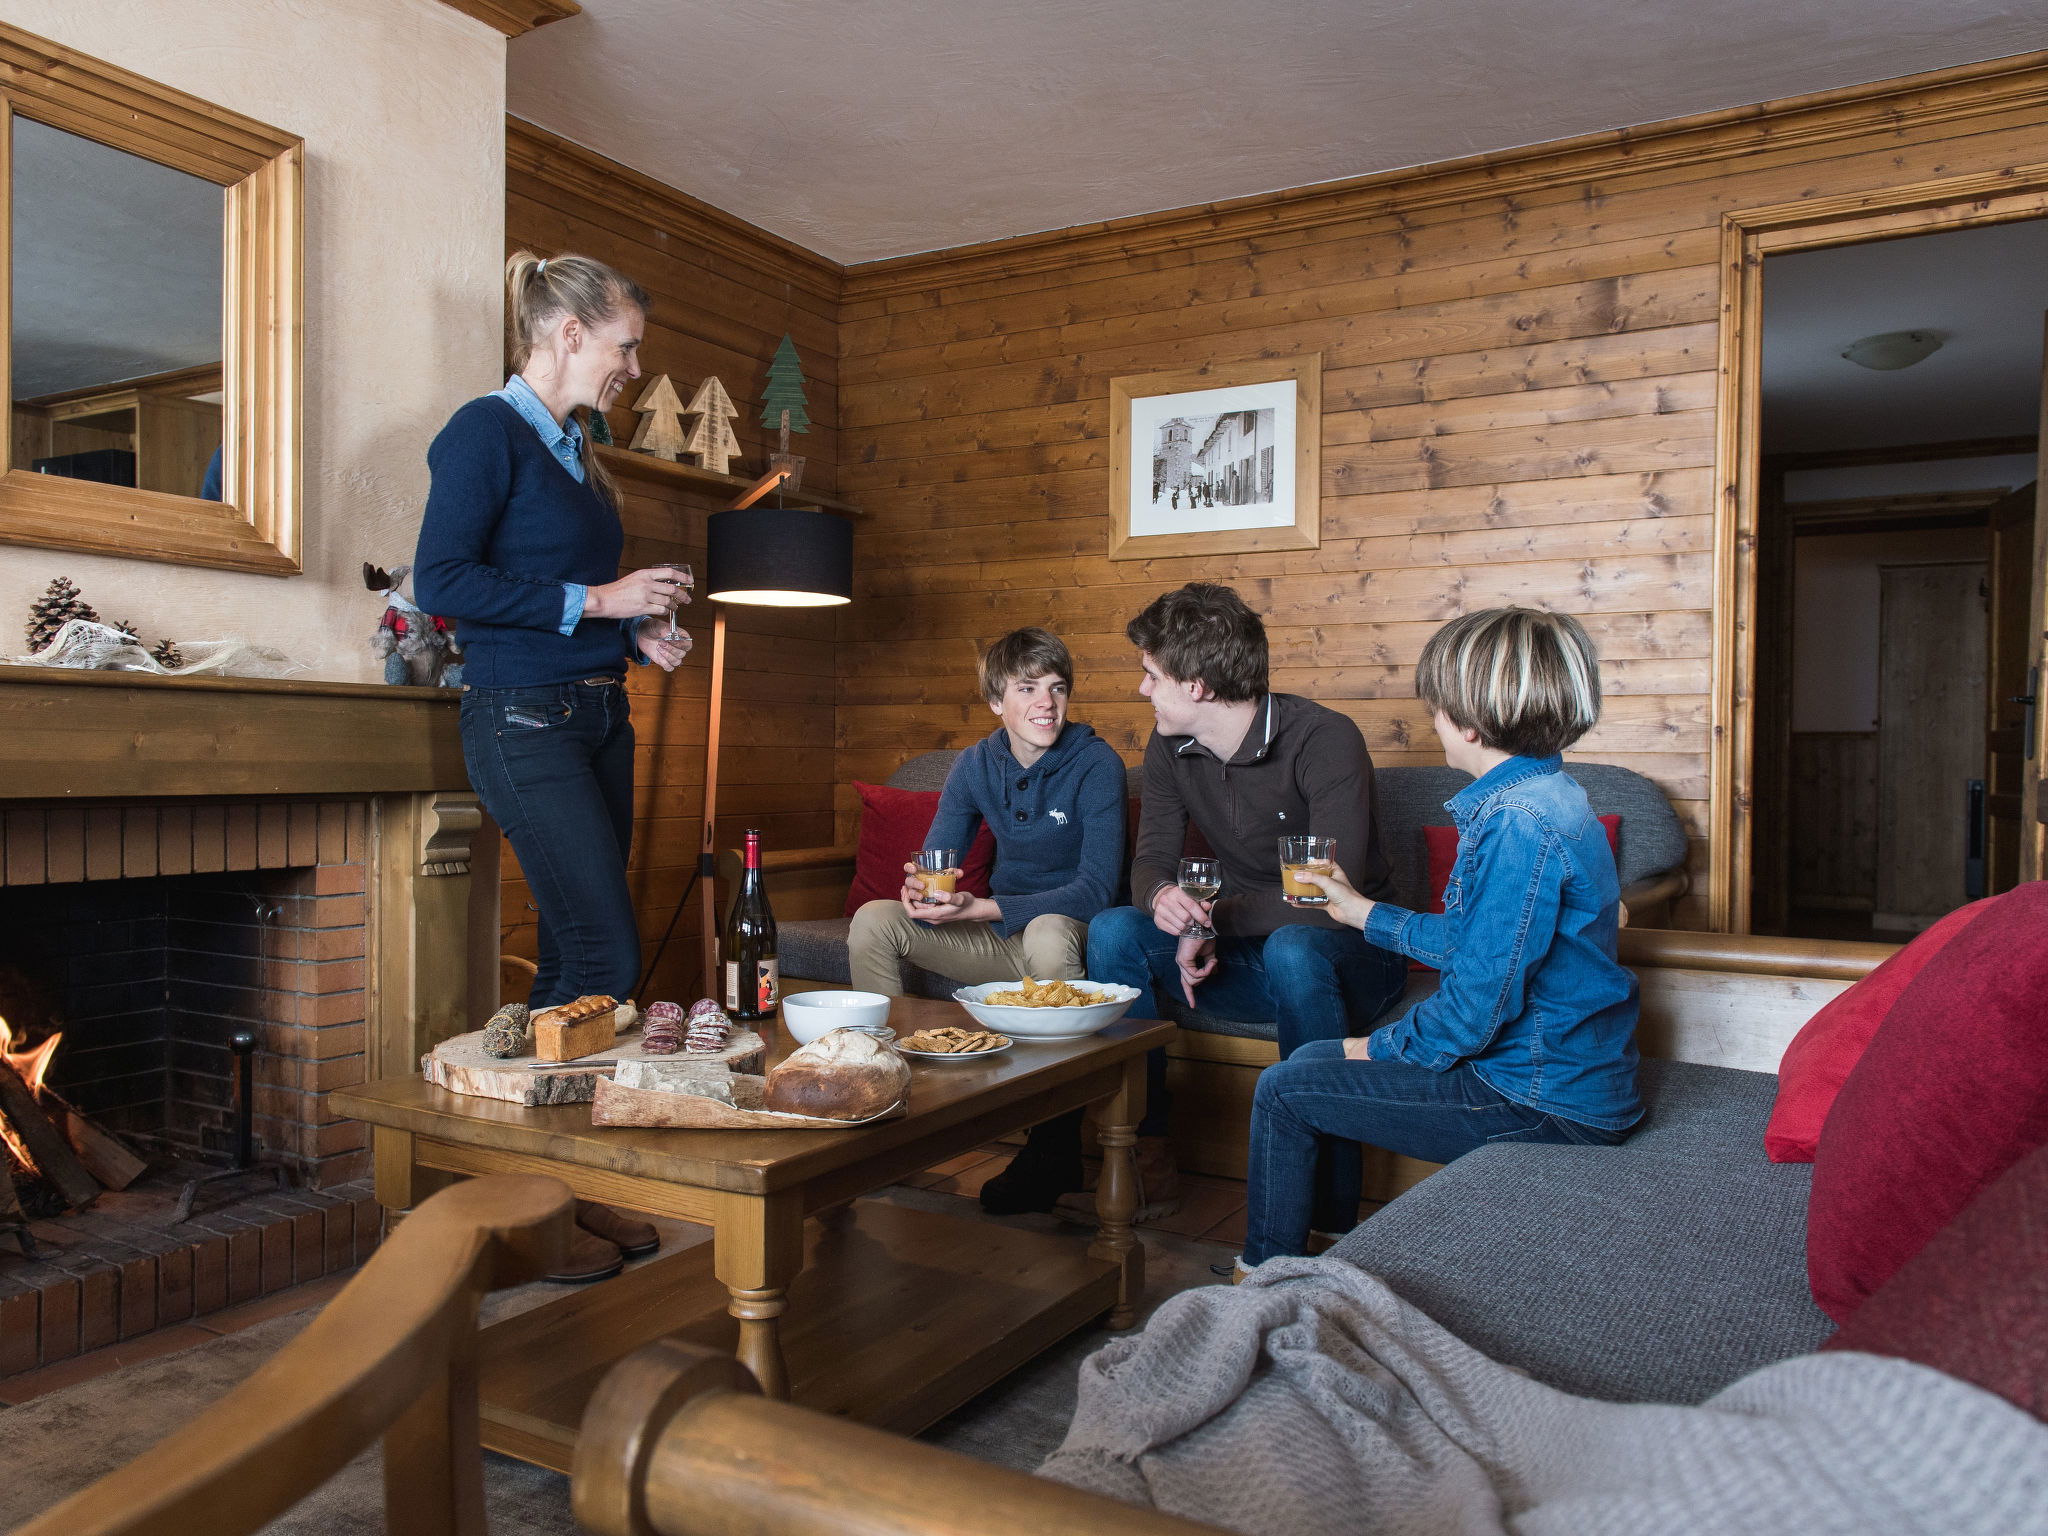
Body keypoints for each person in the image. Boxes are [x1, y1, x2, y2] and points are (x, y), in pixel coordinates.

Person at [413, 250, 690, 1284]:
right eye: (626, 347)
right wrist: (606, 601)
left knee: (578, 966)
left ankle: (555, 1195)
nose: (632, 368)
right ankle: (533, 1198)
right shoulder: (483, 431)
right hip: (520, 719)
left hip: (594, 711)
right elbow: (442, 580)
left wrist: (635, 636)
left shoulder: (575, 449)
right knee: (607, 953)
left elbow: (556, 593)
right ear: (569, 333)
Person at [1233, 607, 1642, 1275]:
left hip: (1541, 1099)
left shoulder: (1515, 822)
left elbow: (1477, 1006)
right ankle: (1317, 1252)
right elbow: (1481, 942)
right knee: (1309, 1062)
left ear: (1469, 722)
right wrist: (1361, 912)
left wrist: (1378, 1046)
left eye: (1436, 709)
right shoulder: (1551, 793)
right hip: (1574, 1083)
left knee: (1285, 1086)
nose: (1433, 722)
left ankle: (1262, 1282)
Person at [1077, 582, 1407, 1222]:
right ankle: (1146, 1160)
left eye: (1151, 675)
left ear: (1196, 685)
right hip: (1248, 959)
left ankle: (1326, 1215)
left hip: (1353, 959)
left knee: (1295, 946)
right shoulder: (1169, 744)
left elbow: (1328, 900)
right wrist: (1164, 899)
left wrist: (1211, 922)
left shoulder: (1325, 738)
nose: (1142, 689)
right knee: (1115, 929)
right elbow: (1149, 862)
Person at [846, 628, 1126, 1213]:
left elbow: (1096, 889)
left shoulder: (1097, 763)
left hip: (1068, 934)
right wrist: (920, 890)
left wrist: (981, 907)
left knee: (1047, 931)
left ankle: (1053, 1147)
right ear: (997, 700)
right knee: (875, 920)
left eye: (1057, 688)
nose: (1046, 703)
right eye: (1027, 688)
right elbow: (936, 859)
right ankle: (885, 1106)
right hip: (1002, 941)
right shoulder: (976, 764)